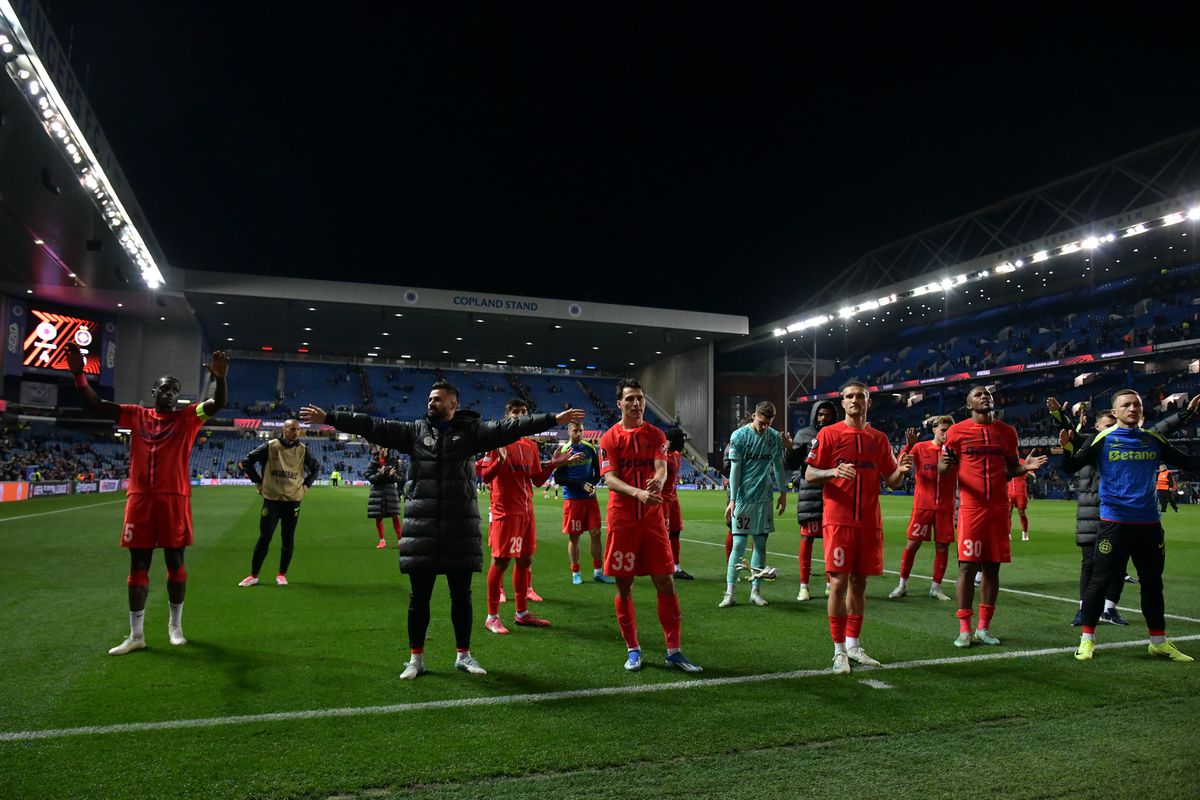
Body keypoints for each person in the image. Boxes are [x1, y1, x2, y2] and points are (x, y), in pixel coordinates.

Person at [300, 382, 584, 679]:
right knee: (418, 597)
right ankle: (416, 659)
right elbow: (373, 425)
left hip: (459, 527)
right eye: (430, 398)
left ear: (453, 404)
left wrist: (553, 420)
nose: (431, 402)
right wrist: (331, 417)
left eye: (438, 399)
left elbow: (509, 428)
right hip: (421, 527)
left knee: (460, 596)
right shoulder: (414, 433)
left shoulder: (471, 434)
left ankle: (464, 655)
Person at [64, 341, 228, 655]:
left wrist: (220, 379)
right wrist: (79, 376)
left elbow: (216, 404)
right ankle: (136, 635)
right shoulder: (135, 415)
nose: (169, 393)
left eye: (174, 390)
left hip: (174, 499)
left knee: (175, 564)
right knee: (138, 564)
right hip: (139, 500)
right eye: (164, 388)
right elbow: (97, 404)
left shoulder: (188, 417)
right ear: (154, 391)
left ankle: (175, 626)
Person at [1062, 388, 1200, 662]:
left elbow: (1187, 462)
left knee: (1152, 584)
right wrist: (1067, 447)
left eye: (1136, 404)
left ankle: (1158, 642)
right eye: (1126, 405)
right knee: (1099, 581)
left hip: (1149, 525)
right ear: (1115, 412)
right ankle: (1087, 639)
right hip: (1115, 524)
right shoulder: (1103, 439)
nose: (1132, 409)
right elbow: (1071, 467)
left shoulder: (1153, 439)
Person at [806, 382, 911, 674]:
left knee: (860, 584)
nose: (855, 401)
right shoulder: (829, 434)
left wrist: (901, 472)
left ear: (868, 402)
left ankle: (854, 645)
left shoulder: (878, 439)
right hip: (838, 521)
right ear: (842, 402)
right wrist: (833, 471)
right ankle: (838, 650)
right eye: (850, 397)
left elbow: (891, 480)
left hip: (869, 522)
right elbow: (810, 472)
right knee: (838, 584)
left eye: (860, 397)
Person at [598, 378, 702, 673]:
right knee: (624, 585)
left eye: (640, 398)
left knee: (666, 582)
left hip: (654, 521)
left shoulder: (656, 434)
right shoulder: (609, 439)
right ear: (619, 403)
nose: (636, 403)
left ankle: (674, 650)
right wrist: (638, 493)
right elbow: (610, 479)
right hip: (623, 521)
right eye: (630, 398)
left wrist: (659, 479)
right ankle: (633, 649)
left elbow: (661, 465)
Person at [939, 386, 1046, 648]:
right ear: (968, 405)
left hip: (998, 509)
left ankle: (984, 628)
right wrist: (946, 464)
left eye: (987, 394)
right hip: (971, 509)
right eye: (978, 394)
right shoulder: (957, 431)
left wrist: (1025, 468)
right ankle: (964, 629)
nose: (984, 396)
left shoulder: (1007, 432)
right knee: (967, 567)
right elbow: (943, 467)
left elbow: (1012, 468)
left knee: (992, 567)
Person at [477, 399, 582, 634]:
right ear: (507, 417)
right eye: (516, 412)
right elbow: (484, 476)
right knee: (501, 562)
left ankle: (521, 613)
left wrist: (553, 465)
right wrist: (499, 462)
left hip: (526, 513)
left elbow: (535, 480)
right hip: (506, 513)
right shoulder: (496, 443)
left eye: (524, 412)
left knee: (525, 561)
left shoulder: (531, 447)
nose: (521, 415)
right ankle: (492, 616)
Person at [238, 419, 320, 586]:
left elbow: (316, 467)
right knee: (265, 537)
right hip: (272, 500)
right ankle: (254, 575)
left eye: (298, 430)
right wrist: (258, 482)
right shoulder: (271, 446)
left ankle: (282, 574)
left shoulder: (303, 450)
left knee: (288, 538)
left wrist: (306, 486)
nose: (296, 432)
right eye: (292, 429)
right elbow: (246, 462)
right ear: (284, 430)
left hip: (292, 500)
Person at [721, 402, 787, 608]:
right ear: (753, 416)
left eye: (768, 424)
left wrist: (783, 493)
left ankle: (755, 591)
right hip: (742, 499)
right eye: (760, 422)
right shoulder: (738, 436)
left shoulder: (774, 438)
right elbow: (735, 469)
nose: (763, 427)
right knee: (739, 545)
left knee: (760, 545)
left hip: (764, 498)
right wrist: (732, 500)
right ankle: (730, 592)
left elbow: (777, 466)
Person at [888, 416, 955, 602]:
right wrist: (909, 446)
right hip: (923, 506)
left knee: (942, 547)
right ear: (934, 430)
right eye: (943, 430)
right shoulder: (921, 448)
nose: (946, 434)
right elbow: (900, 463)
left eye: (949, 431)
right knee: (912, 545)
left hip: (945, 508)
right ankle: (902, 585)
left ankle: (936, 587)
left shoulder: (955, 452)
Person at [786, 399, 839, 601]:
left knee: (831, 540)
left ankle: (829, 584)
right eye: (821, 414)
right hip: (810, 493)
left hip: (833, 493)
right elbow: (792, 465)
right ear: (815, 415)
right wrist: (799, 479)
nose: (824, 418)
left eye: (828, 415)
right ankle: (803, 587)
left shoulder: (839, 435)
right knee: (807, 538)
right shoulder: (804, 435)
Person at [555, 420, 613, 585]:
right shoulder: (565, 451)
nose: (578, 434)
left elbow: (598, 471)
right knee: (575, 538)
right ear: (569, 432)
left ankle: (598, 571)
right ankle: (576, 572)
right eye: (575, 431)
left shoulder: (590, 448)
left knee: (596, 533)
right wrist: (580, 485)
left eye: (580, 430)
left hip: (589, 498)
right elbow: (558, 478)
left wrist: (592, 484)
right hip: (572, 499)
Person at [664, 427, 694, 580]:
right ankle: (662, 567)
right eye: (681, 440)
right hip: (661, 501)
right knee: (661, 536)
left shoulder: (676, 455)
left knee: (675, 532)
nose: (683, 442)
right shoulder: (661, 456)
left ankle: (676, 568)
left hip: (673, 500)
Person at [366, 447, 404, 549]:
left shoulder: (394, 461)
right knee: (378, 516)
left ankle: (400, 540)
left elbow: (401, 477)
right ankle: (382, 540)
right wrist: (379, 474)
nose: (381, 449)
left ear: (387, 448)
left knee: (395, 515)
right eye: (379, 447)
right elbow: (368, 476)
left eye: (382, 447)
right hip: (377, 491)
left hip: (391, 490)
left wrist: (393, 475)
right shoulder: (373, 461)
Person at [1008, 453, 1032, 541]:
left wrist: (1028, 473)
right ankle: (1008, 534)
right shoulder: (1006, 462)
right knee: (1008, 513)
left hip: (1021, 492)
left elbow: (1032, 474)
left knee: (1021, 513)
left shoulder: (1023, 462)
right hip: (1009, 492)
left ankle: (1025, 533)